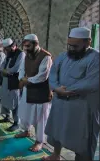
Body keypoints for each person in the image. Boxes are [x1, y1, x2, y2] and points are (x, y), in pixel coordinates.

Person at [43, 27, 100, 161]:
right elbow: (52, 74)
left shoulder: (96, 58)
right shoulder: (64, 56)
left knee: (83, 140)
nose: (72, 48)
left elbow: (92, 82)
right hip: (61, 103)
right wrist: (56, 89)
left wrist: (67, 91)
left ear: (88, 42)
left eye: (76, 46)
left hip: (82, 107)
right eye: (70, 45)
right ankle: (55, 155)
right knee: (57, 131)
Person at [15, 34, 53, 152]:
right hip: (28, 90)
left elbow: (42, 76)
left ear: (36, 44)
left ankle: (39, 141)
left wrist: (27, 81)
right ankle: (26, 131)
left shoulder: (45, 57)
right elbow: (22, 69)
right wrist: (21, 79)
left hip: (41, 92)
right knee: (25, 113)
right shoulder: (27, 55)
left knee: (39, 119)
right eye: (25, 46)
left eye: (28, 46)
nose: (26, 48)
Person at [0, 38, 25, 132]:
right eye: (6, 49)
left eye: (8, 49)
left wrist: (7, 71)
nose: (6, 51)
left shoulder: (21, 54)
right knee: (5, 99)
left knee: (15, 102)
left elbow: (17, 68)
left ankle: (16, 123)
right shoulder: (9, 54)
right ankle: (7, 117)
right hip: (6, 80)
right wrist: (3, 70)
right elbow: (2, 65)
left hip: (14, 81)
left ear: (13, 46)